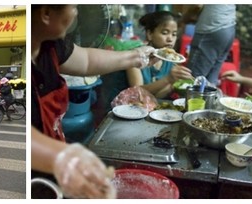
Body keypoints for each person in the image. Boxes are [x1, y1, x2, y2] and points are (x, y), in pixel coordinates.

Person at [31, 5, 160, 199]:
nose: (76, 13)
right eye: (73, 6)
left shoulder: (51, 45)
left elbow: (87, 60)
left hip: (51, 163)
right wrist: (62, 157)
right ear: (46, 13)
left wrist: (136, 56)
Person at [125, 11, 194, 98]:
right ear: (150, 34)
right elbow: (137, 93)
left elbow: (157, 96)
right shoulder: (136, 57)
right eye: (165, 33)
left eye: (174, 34)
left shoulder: (172, 59)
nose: (170, 39)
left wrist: (174, 83)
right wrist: (167, 79)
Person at [186, 5, 236, 85]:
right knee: (211, 78)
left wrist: (182, 20)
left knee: (192, 79)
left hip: (211, 28)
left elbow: (197, 5)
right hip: (229, 27)